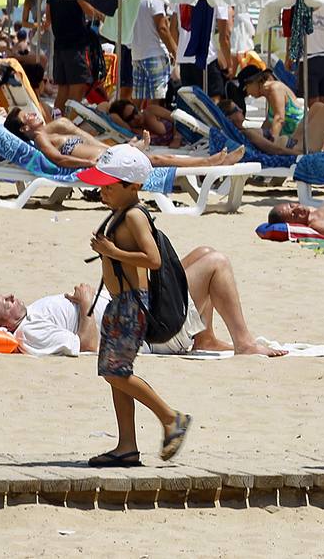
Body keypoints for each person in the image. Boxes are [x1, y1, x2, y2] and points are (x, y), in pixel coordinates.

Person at [75, 145, 192, 466]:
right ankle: (127, 446)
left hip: (131, 305)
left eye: (109, 186)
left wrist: (113, 251)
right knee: (117, 373)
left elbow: (152, 260)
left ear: (132, 186)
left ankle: (171, 418)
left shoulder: (136, 216)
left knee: (114, 372)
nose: (102, 191)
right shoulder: (120, 213)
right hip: (119, 302)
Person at [0, 246, 285, 359]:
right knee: (216, 263)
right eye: (4, 304)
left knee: (201, 252)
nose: (10, 297)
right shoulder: (30, 331)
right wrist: (87, 300)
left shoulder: (31, 315)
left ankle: (205, 338)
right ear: (2, 325)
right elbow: (89, 346)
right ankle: (243, 343)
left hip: (139, 310)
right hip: (150, 331)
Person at [3, 108, 242, 169]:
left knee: (157, 157)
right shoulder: (43, 140)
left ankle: (213, 162)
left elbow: (88, 139)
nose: (34, 114)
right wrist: (88, 164)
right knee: (160, 158)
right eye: (29, 116)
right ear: (24, 128)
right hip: (103, 164)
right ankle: (211, 163)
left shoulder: (55, 129)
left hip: (107, 155)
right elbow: (58, 160)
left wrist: (121, 147)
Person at [45, 0, 106, 112]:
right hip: (76, 47)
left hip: (59, 46)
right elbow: (90, 12)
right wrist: (101, 15)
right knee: (77, 90)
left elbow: (48, 19)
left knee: (63, 91)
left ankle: (57, 123)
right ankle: (69, 125)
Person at [179, 0, 233, 100]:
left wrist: (176, 52)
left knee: (190, 102)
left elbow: (173, 28)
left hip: (184, 57)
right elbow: (224, 37)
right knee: (213, 100)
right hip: (206, 56)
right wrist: (229, 64)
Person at [131, 0, 177, 108]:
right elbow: (162, 28)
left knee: (137, 100)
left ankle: (134, 125)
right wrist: (174, 51)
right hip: (155, 54)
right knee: (156, 102)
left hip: (137, 54)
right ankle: (153, 124)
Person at [110, 98, 182, 147]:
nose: (136, 117)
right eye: (130, 118)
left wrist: (177, 139)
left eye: (135, 112)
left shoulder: (150, 111)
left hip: (186, 139)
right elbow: (108, 111)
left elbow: (178, 119)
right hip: (173, 153)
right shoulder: (134, 133)